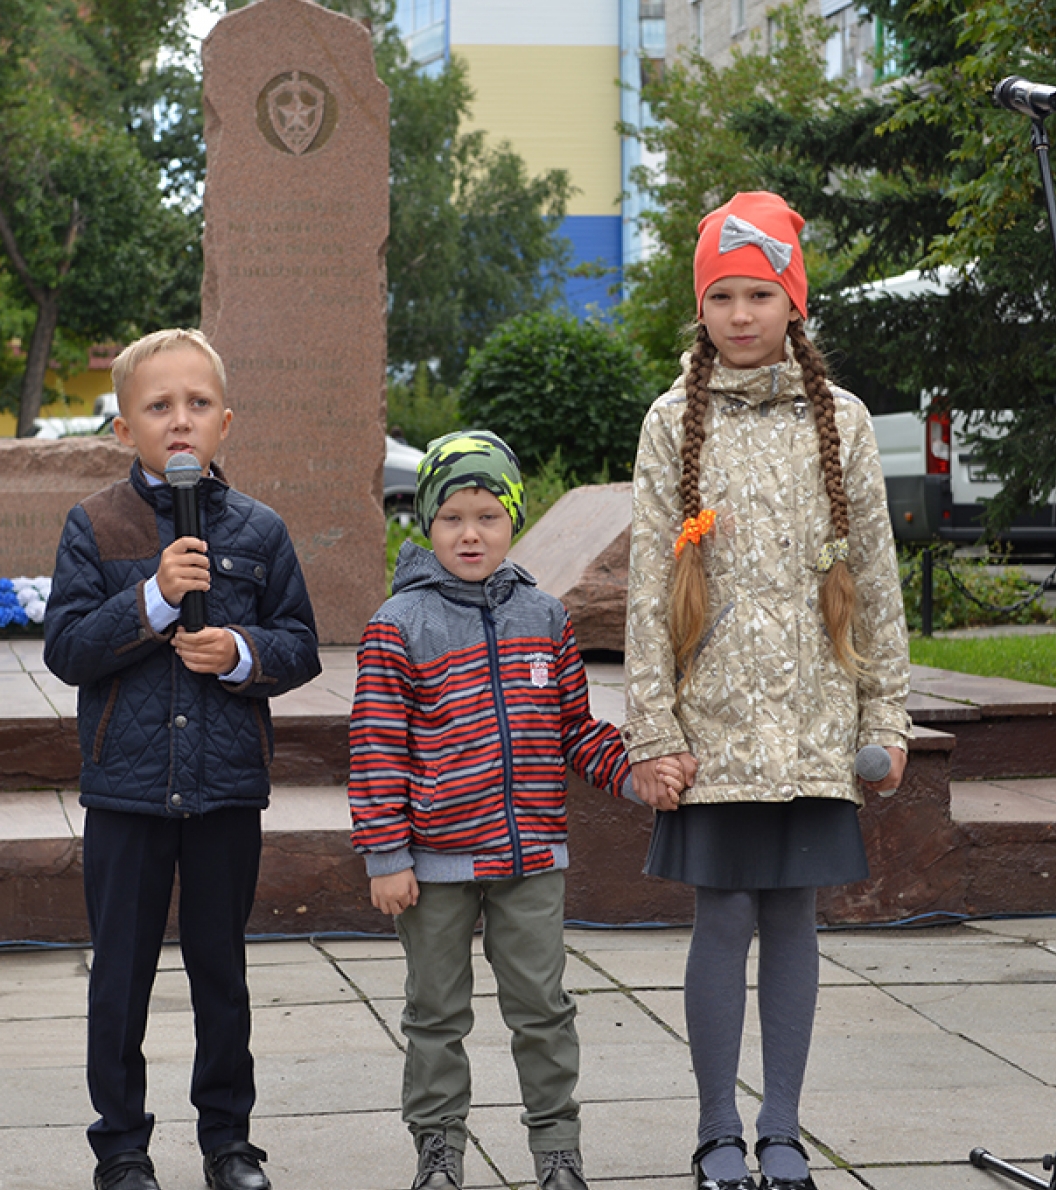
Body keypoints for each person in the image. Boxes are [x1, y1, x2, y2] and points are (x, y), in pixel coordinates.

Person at [621, 191, 912, 1190]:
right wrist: (650, 728)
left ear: (794, 302)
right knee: (724, 913)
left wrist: (887, 713)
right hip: (715, 723)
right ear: (699, 308)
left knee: (793, 913)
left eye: (759, 293)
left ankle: (782, 1124)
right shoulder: (672, 423)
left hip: (816, 724)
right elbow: (652, 590)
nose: (741, 313)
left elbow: (874, 575)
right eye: (722, 295)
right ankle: (714, 1128)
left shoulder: (844, 421)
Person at [347, 430, 685, 1190]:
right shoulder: (397, 625)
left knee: (543, 1009)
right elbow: (375, 749)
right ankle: (439, 1148)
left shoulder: (546, 618)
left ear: (513, 519)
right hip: (432, 863)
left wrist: (633, 774)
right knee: (435, 1014)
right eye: (453, 517)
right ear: (427, 524)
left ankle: (556, 1151)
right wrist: (387, 856)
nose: (471, 533)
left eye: (488, 516)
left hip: (533, 857)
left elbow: (572, 730)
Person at [44, 328, 322, 1190]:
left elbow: (301, 646)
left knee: (222, 973)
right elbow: (66, 650)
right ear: (124, 429)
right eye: (158, 406)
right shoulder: (94, 525)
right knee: (120, 978)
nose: (180, 421)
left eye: (197, 405)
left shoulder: (260, 530)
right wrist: (152, 601)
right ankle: (121, 1146)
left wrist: (241, 654)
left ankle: (229, 1141)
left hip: (223, 790)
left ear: (225, 423)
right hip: (126, 793)